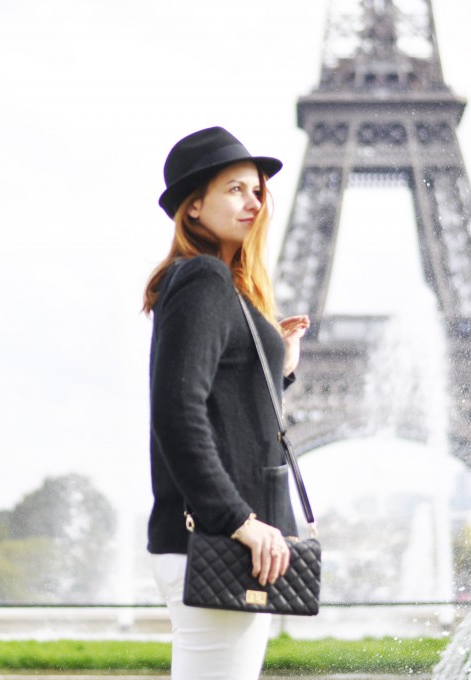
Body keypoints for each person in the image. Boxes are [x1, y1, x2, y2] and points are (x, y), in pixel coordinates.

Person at [142, 126, 310, 680]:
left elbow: (224, 410)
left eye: (257, 191)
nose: (253, 203)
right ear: (193, 208)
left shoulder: (222, 286)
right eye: (235, 189)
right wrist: (240, 520)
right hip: (219, 539)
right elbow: (177, 412)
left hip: (222, 540)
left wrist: (278, 367)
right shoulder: (205, 280)